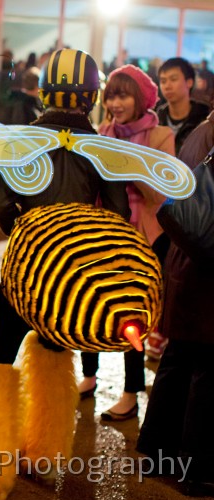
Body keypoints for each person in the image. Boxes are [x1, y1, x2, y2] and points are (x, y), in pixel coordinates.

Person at [0, 48, 130, 500]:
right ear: (91, 95)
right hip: (69, 276)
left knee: (0, 360)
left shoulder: (21, 139)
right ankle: (44, 454)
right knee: (54, 358)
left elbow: (1, 202)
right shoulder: (105, 149)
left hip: (24, 270)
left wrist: (28, 234)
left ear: (47, 89)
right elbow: (116, 214)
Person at [77, 64, 175, 421]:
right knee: (93, 304)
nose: (116, 104)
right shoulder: (103, 131)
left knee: (131, 315)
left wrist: (130, 165)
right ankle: (89, 375)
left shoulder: (161, 136)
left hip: (144, 238)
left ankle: (131, 392)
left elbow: (163, 196)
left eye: (124, 95)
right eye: (111, 96)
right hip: (105, 234)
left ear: (142, 98)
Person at [137, 110, 214, 498]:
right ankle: (196, 469)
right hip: (206, 271)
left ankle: (156, 451)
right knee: (207, 371)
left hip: (186, 264)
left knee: (179, 360)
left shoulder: (201, 132)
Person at [156, 57, 210, 154]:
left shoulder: (204, 119)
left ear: (189, 82)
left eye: (173, 79)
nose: (167, 86)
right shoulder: (156, 118)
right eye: (163, 81)